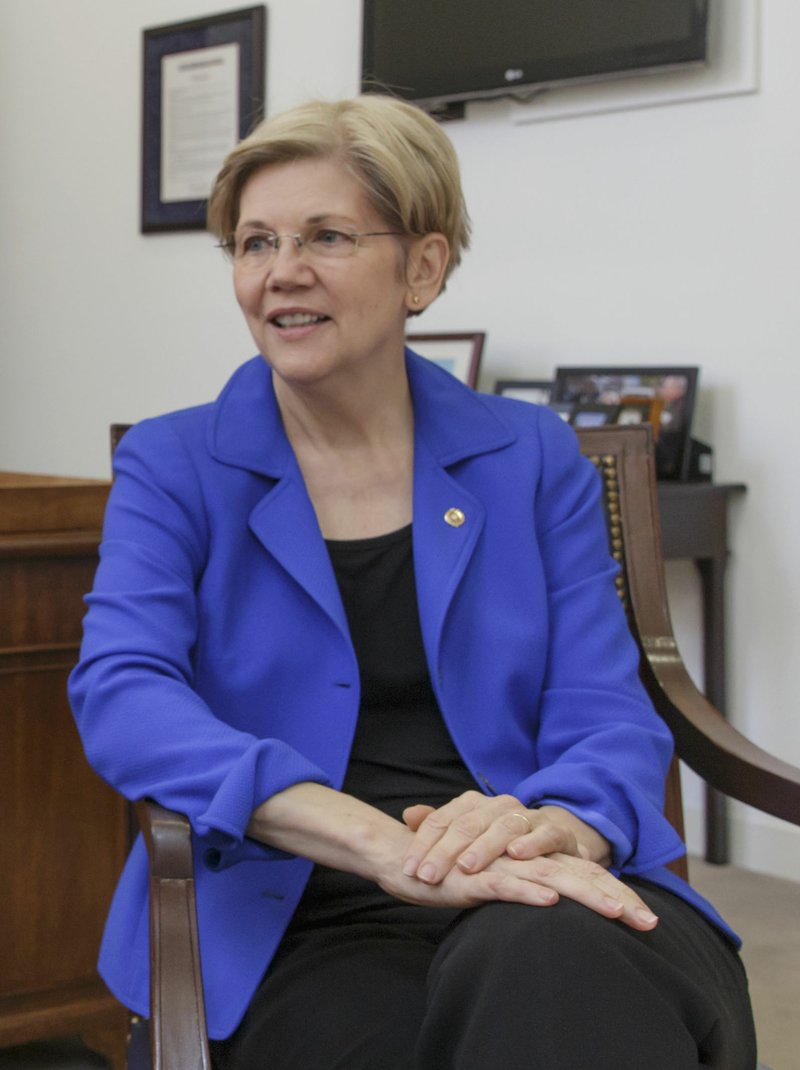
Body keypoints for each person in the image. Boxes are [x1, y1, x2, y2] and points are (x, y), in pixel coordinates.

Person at [69, 95, 756, 1069]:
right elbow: (123, 694)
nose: (280, 273)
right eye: (254, 241)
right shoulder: (175, 463)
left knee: (546, 951)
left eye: (325, 236)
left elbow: (606, 710)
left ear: (422, 267)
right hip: (303, 913)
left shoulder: (529, 456)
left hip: (534, 867)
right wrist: (376, 841)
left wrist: (552, 825)